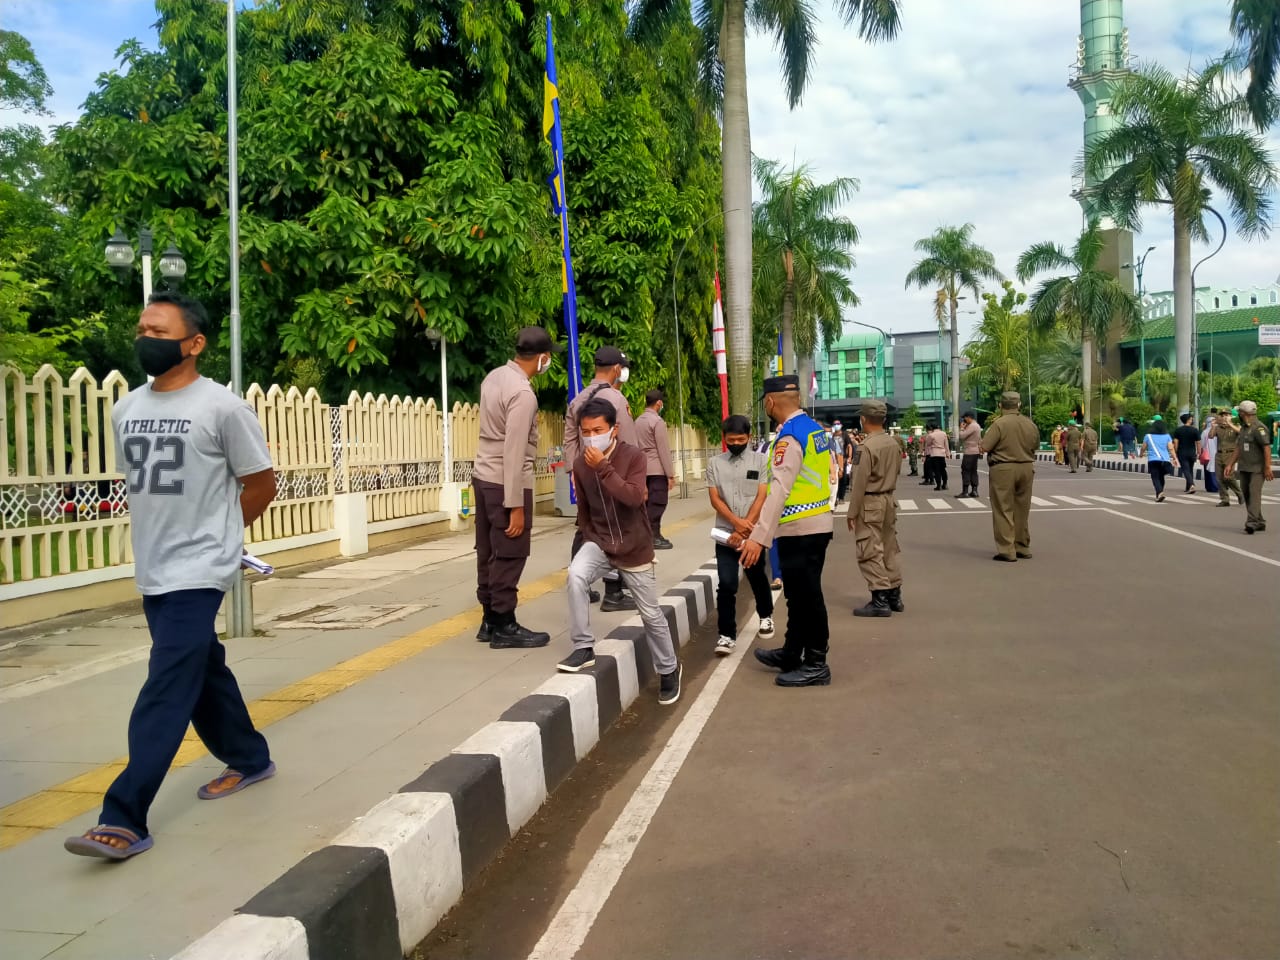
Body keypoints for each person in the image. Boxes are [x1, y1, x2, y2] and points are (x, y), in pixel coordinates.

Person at [64, 293, 279, 862]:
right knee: (201, 670)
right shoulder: (126, 409)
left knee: (166, 684)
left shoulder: (222, 408)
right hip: (154, 564)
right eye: (141, 327)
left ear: (194, 343)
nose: (145, 337)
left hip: (200, 566)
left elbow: (261, 482)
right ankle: (250, 756)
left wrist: (223, 535)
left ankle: (124, 816)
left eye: (157, 329)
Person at [561, 399, 682, 705]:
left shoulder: (634, 457)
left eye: (597, 430)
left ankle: (669, 669)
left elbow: (632, 497)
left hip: (634, 545)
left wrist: (602, 467)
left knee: (650, 613)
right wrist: (590, 537)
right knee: (575, 575)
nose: (591, 437)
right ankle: (584, 646)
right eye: (585, 431)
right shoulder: (579, 465)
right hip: (601, 542)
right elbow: (584, 511)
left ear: (613, 430)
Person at [739, 375, 833, 687]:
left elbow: (779, 490)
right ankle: (793, 652)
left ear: (770, 401)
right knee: (797, 595)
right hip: (814, 523)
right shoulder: (813, 429)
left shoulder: (790, 437)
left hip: (801, 529)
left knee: (808, 597)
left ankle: (817, 662)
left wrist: (758, 538)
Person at [471, 328, 559, 649]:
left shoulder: (493, 378)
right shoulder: (523, 394)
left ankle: (489, 620)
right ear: (542, 358)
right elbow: (515, 450)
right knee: (510, 552)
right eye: (549, 357)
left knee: (488, 551)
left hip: (483, 478)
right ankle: (505, 625)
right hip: (505, 483)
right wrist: (516, 505)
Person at [563, 346, 639, 612]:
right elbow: (627, 442)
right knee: (616, 527)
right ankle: (614, 592)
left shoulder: (577, 399)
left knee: (587, 526)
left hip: (586, 474)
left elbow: (570, 440)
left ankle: (579, 580)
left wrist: (574, 473)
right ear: (617, 369)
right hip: (611, 471)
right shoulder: (616, 400)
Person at [706, 415, 775, 654]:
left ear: (749, 438)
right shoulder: (715, 463)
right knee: (726, 583)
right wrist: (735, 526)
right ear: (724, 439)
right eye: (731, 439)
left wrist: (745, 528)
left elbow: (762, 496)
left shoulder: (761, 461)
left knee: (756, 577)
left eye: (741, 439)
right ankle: (726, 635)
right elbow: (715, 499)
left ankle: (765, 615)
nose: (736, 442)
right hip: (726, 535)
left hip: (752, 535)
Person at [846, 399, 903, 617]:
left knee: (869, 550)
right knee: (890, 548)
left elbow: (859, 482)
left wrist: (852, 513)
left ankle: (880, 599)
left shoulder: (866, 446)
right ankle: (894, 594)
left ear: (864, 419)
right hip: (889, 499)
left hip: (870, 501)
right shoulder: (893, 443)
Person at [980, 392, 1039, 562]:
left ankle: (1007, 549)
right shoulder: (1030, 424)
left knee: (1003, 508)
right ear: (1019, 405)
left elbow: (985, 446)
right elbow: (1035, 445)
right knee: (1022, 509)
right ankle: (1022, 547)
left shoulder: (999, 424)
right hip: (1026, 467)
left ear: (1000, 405)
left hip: (1004, 468)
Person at [635, 388, 676, 549]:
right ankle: (651, 536)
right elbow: (663, 450)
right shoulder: (657, 422)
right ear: (659, 403)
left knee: (647, 504)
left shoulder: (637, 421)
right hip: (657, 469)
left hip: (641, 468)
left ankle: (655, 534)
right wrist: (670, 474)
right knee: (658, 503)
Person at [1224, 399, 1273, 534]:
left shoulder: (1259, 428)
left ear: (1244, 413)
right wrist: (1230, 464)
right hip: (1245, 467)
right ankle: (1259, 521)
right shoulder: (1244, 428)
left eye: (1239, 412)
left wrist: (1267, 467)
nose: (1238, 414)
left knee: (1254, 493)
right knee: (1247, 494)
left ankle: (1251, 522)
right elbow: (1238, 448)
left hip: (1257, 468)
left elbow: (1266, 448)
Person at [1210, 408, 1244, 507]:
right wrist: (1213, 427)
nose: (1224, 417)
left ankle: (1240, 493)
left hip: (1231, 454)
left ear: (1231, 416)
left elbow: (1241, 432)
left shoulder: (1235, 426)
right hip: (1219, 454)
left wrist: (1230, 424)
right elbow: (1210, 436)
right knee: (1219, 478)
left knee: (1228, 477)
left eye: (1227, 415)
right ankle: (1225, 499)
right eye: (1223, 415)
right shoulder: (1218, 428)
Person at [1138, 416, 1175, 502]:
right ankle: (1160, 493)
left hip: (1153, 460)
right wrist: (1174, 458)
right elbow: (1171, 448)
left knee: (1155, 477)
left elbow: (1143, 447)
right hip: (1165, 460)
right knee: (1161, 477)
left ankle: (1159, 492)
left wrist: (1141, 454)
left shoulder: (1148, 436)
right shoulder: (1167, 436)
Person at [1171, 412, 1200, 494]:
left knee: (1186, 470)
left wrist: (1176, 452)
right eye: (1191, 418)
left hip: (1182, 452)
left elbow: (1176, 442)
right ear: (1188, 420)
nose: (1192, 420)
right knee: (1190, 469)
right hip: (1192, 453)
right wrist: (1199, 452)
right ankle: (1188, 487)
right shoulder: (1195, 430)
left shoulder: (1178, 430)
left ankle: (1191, 485)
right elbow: (1198, 442)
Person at [957, 411, 982, 498]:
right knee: (973, 471)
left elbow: (962, 436)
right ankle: (974, 491)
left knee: (965, 470)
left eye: (965, 418)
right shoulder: (977, 425)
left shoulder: (972, 426)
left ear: (969, 417)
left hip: (969, 452)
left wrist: (961, 428)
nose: (964, 420)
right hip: (975, 451)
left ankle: (965, 491)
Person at [924, 421, 949, 491]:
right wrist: (948, 453)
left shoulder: (931, 435)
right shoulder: (944, 433)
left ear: (932, 428)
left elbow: (928, 444)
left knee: (936, 470)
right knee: (943, 469)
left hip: (934, 453)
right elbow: (946, 444)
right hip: (942, 453)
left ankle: (938, 485)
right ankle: (945, 484)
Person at [1200, 413, 1220, 495]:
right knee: (1214, 469)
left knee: (1208, 469)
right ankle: (1215, 486)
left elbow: (1202, 444)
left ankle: (1209, 486)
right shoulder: (1217, 431)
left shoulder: (1204, 432)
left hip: (1207, 453)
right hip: (1215, 452)